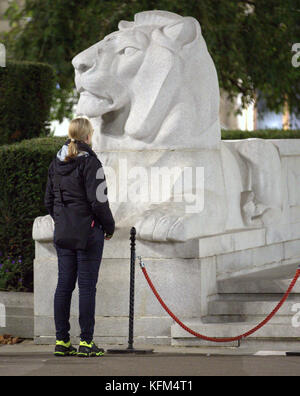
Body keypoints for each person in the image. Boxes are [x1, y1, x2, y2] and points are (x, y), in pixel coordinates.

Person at [44, 116, 115, 357]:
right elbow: (99, 201)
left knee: (64, 286)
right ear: (87, 136)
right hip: (88, 233)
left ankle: (62, 341)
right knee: (86, 288)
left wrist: (62, 220)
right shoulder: (92, 163)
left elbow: (48, 200)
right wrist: (109, 227)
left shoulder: (56, 162)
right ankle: (86, 342)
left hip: (63, 232)